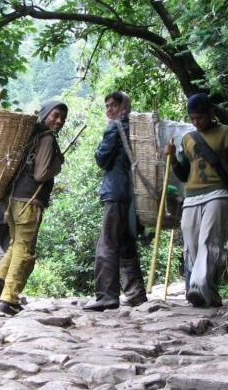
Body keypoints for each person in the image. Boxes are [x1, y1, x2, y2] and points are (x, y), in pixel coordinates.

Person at [165, 93, 228, 307]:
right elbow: (184, 174)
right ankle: (210, 293)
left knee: (209, 242)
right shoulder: (187, 139)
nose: (196, 122)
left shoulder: (226, 133)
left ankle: (196, 286)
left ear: (211, 114)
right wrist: (172, 160)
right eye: (192, 118)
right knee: (191, 245)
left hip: (218, 194)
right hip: (192, 197)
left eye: (200, 118)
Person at [0, 99, 68, 315]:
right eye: (55, 115)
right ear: (44, 114)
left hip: (13, 200)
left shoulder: (30, 135)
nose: (59, 121)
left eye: (62, 117)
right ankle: (9, 299)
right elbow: (41, 173)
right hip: (29, 202)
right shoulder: (48, 138)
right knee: (25, 251)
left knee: (16, 244)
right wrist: (57, 165)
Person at [83, 91, 147, 311]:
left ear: (123, 107)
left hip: (116, 192)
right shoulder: (137, 128)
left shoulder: (115, 127)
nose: (109, 109)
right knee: (126, 243)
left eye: (113, 105)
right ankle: (136, 294)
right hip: (134, 193)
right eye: (107, 106)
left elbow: (101, 158)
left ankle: (106, 295)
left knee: (107, 243)